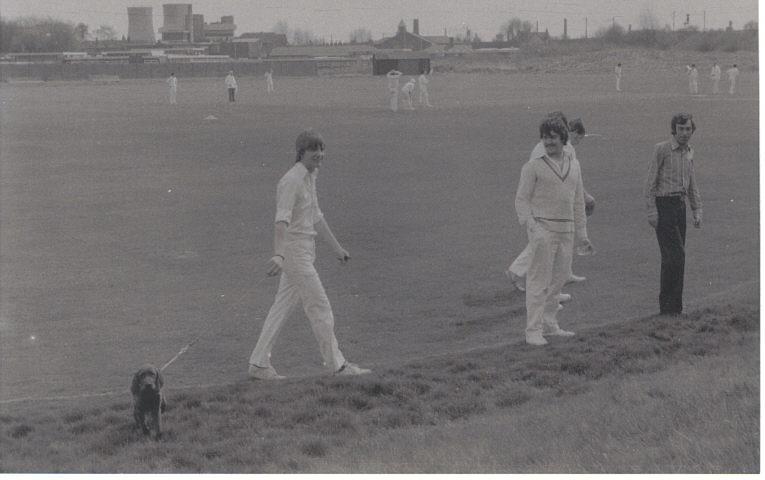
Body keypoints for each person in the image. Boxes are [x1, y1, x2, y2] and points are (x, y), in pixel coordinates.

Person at [248, 130, 371, 379]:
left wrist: (337, 248)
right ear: (301, 152)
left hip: (305, 250)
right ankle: (338, 366)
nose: (320, 155)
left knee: (280, 308)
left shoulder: (310, 176)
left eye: (322, 149)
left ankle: (258, 363)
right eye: (315, 150)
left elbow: (315, 216)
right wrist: (279, 255)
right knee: (320, 307)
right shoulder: (291, 180)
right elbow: (281, 220)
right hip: (295, 254)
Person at [515, 117, 594, 345]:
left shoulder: (574, 165)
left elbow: (578, 202)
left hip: (566, 231)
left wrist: (583, 235)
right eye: (545, 137)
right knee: (538, 282)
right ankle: (533, 331)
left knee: (558, 281)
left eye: (553, 137)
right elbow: (521, 201)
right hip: (543, 230)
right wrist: (533, 228)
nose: (548, 142)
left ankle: (550, 325)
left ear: (563, 138)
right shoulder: (534, 166)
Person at [644, 113, 702, 316]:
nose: (685, 133)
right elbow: (650, 182)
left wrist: (696, 209)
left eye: (688, 129)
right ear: (674, 130)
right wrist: (652, 211)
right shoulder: (662, 149)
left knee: (673, 258)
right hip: (664, 205)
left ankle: (673, 308)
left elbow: (691, 180)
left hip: (680, 207)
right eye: (681, 129)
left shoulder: (689, 152)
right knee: (676, 256)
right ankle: (668, 308)